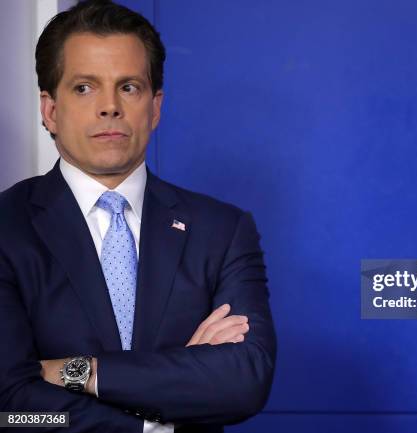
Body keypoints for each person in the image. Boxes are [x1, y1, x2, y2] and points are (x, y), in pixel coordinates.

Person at [0, 1, 276, 432]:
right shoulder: (7, 228)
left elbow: (243, 381)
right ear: (50, 110)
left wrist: (72, 372)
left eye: (128, 87)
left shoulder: (222, 230)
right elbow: (11, 407)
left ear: (155, 107)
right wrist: (154, 421)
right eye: (84, 88)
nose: (110, 106)